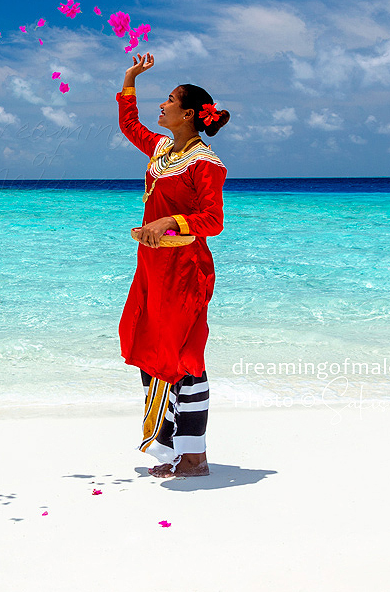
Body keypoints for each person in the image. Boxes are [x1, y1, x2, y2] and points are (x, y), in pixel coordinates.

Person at [116, 53, 230, 478]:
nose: (161, 105)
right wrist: (130, 78)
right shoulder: (163, 149)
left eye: (168, 100)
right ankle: (169, 448)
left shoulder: (206, 163)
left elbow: (212, 221)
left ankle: (195, 455)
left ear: (187, 115)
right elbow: (130, 125)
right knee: (149, 347)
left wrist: (170, 221)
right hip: (152, 265)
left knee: (185, 355)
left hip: (185, 270)